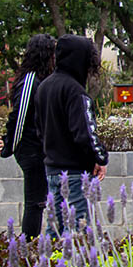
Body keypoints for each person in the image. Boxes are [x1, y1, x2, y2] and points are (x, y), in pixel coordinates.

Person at [34, 34, 108, 236]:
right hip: (75, 173)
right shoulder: (76, 92)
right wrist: (99, 157)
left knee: (54, 229)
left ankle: (51, 266)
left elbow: (39, 129)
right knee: (77, 230)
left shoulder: (44, 87)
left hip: (51, 169)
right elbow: (85, 133)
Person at [0, 34, 56, 240]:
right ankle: (28, 245)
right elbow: (19, 118)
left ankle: (36, 245)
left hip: (41, 150)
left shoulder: (42, 80)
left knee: (42, 202)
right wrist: (9, 145)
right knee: (35, 203)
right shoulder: (30, 81)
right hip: (31, 151)